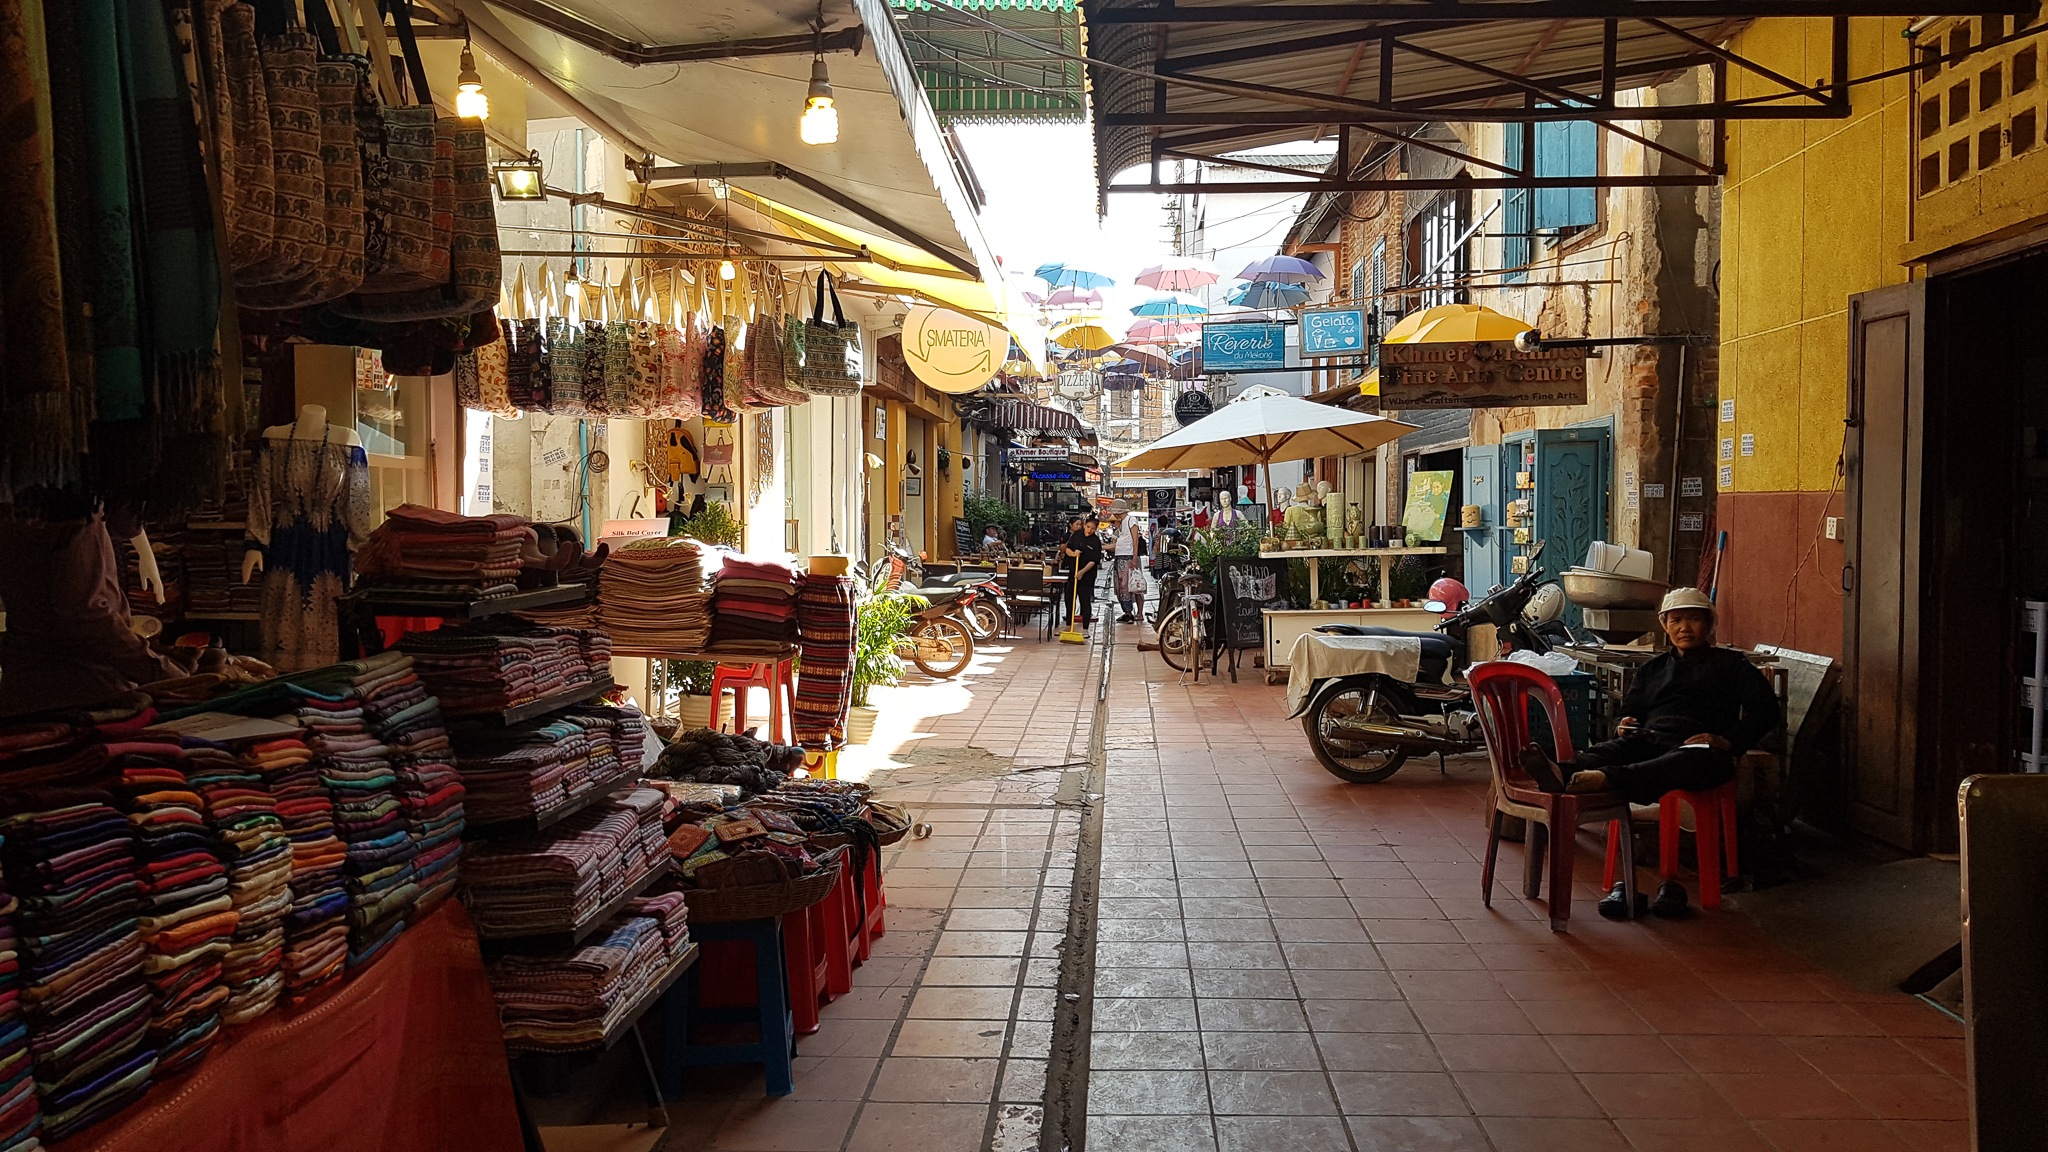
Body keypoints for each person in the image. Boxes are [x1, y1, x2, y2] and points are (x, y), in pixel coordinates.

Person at [1519, 587, 1780, 919]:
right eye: (1677, 620)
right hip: (1650, 739)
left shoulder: (1731, 665)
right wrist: (1625, 724)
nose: (1685, 627)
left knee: (1676, 761)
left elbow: (1767, 711)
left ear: (1710, 625)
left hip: (1701, 752)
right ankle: (1562, 773)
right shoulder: (1654, 668)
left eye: (1695, 619)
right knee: (1607, 749)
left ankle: (1602, 780)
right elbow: (1629, 713)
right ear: (1665, 625)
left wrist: (1727, 740)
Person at [1108, 501, 1148, 624]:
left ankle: (1138, 612)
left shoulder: (1131, 520)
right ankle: (1128, 612)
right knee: (1122, 586)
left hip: (1129, 557)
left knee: (1134, 585)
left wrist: (1134, 558)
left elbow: (1135, 541)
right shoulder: (1121, 525)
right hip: (1121, 556)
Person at [1058, 514, 1101, 628]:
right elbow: (1067, 548)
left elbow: (1093, 560)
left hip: (1087, 575)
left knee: (1084, 599)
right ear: (1084, 525)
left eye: (1092, 528)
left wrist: (1082, 572)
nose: (1089, 530)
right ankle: (1068, 624)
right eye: (1088, 527)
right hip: (1073, 572)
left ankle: (1085, 627)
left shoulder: (1095, 541)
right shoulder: (1077, 535)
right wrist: (1072, 553)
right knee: (1069, 598)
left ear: (1096, 529)